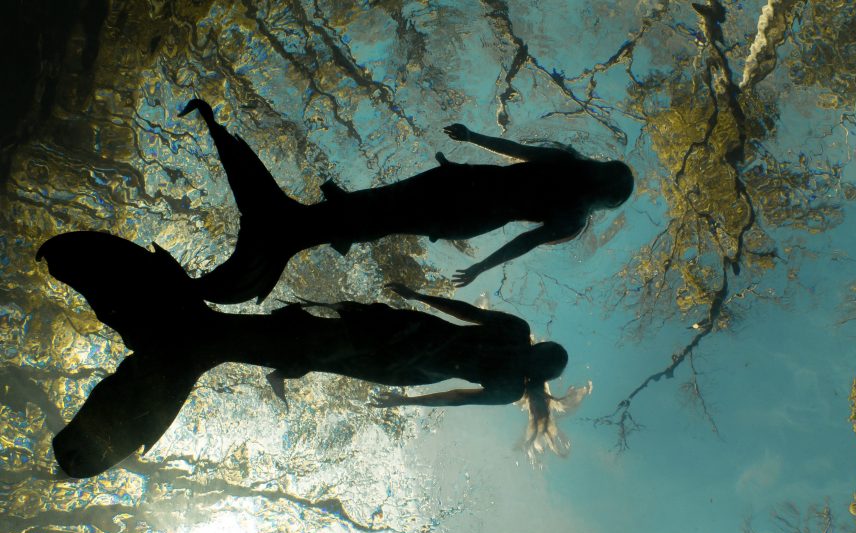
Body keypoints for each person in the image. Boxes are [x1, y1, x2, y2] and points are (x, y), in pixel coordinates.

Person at [36, 231, 588, 477]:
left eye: (542, 356)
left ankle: (193, 340)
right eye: (542, 352)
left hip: (391, 354)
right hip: (391, 341)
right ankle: (195, 339)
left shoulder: (509, 375)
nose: (535, 353)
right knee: (301, 338)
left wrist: (404, 399)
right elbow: (461, 326)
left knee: (304, 343)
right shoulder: (512, 348)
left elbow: (455, 392)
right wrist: (417, 298)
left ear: (541, 364)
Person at [179, 99, 634, 304]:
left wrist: (473, 137)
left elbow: (518, 156)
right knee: (382, 213)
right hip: (466, 204)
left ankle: (291, 228)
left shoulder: (567, 173)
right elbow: (523, 239)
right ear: (606, 201)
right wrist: (480, 267)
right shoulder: (573, 214)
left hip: (464, 191)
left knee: (383, 208)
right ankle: (291, 230)